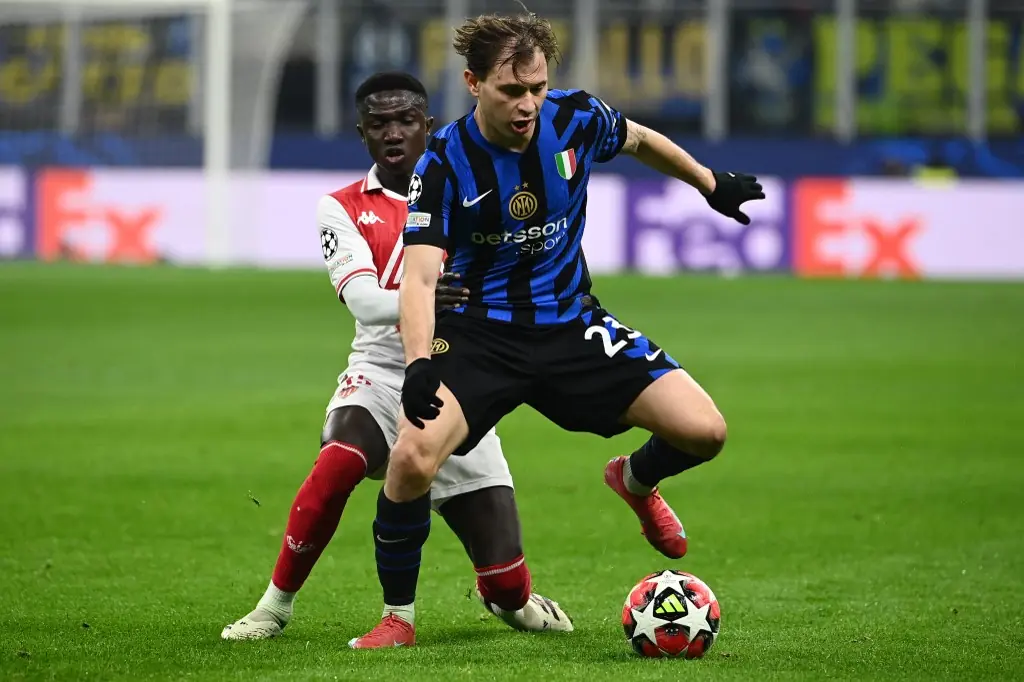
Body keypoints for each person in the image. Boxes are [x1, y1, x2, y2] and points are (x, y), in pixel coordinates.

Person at [353, 13, 765, 648]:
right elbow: (421, 277)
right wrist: (418, 364)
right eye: (511, 91)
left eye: (537, 88)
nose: (528, 105)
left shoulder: (575, 117)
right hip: (481, 336)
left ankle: (634, 480)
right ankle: (397, 619)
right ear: (473, 83)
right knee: (411, 459)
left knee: (705, 431)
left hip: (571, 323)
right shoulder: (444, 161)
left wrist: (709, 183)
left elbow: (639, 139)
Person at [222, 71, 572, 647]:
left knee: (509, 589)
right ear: (361, 133)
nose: (393, 133)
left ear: (426, 126)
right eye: (379, 123)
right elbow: (363, 300)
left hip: (461, 387)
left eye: (406, 120)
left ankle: (515, 601)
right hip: (381, 375)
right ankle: (274, 607)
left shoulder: (472, 188)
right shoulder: (341, 208)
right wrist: (425, 297)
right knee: (338, 462)